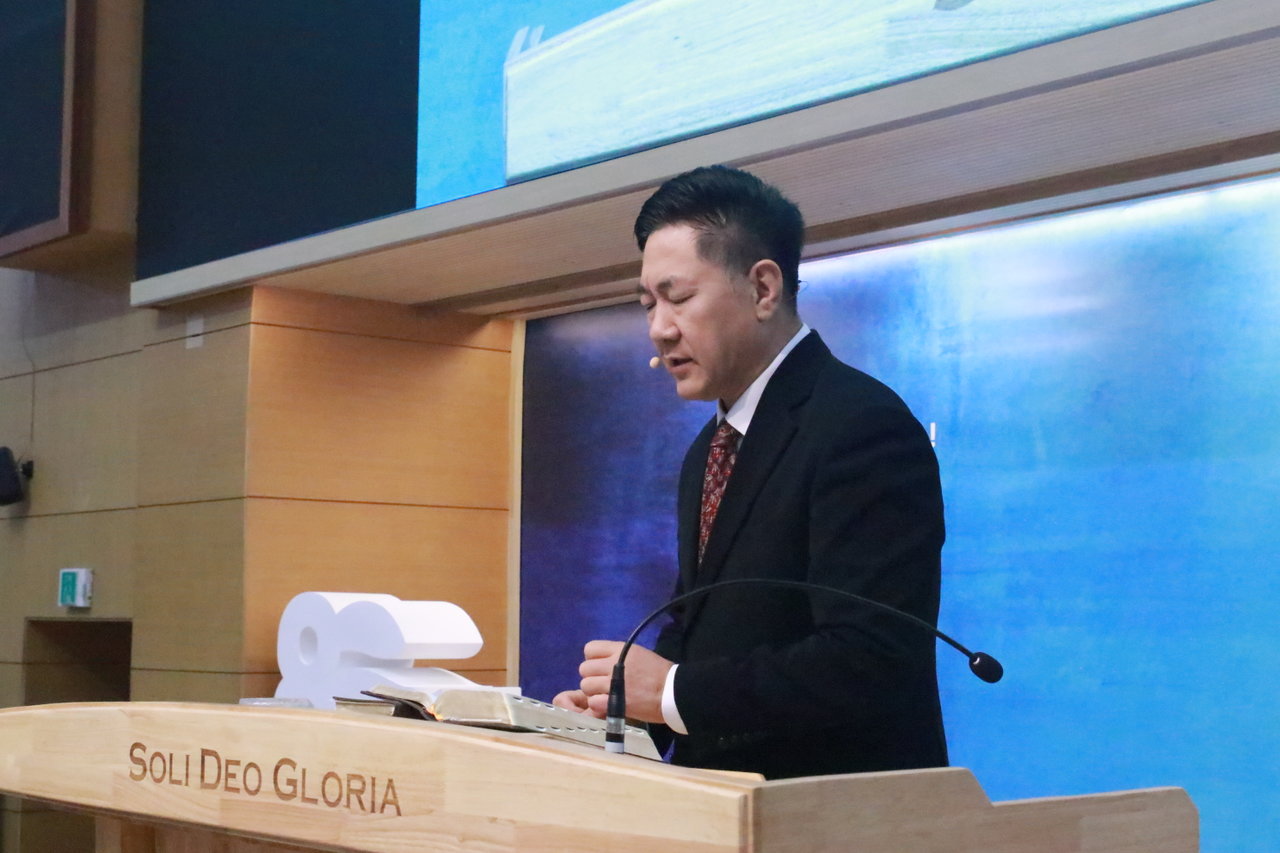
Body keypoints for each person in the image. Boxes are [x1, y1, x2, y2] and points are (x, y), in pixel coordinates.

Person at [553, 165, 948, 779]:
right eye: (648, 304)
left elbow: (870, 657)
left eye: (678, 297)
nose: (659, 329)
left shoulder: (860, 424)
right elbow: (701, 628)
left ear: (763, 288)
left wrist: (673, 692)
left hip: (834, 808)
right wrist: (625, 714)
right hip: (726, 802)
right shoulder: (709, 448)